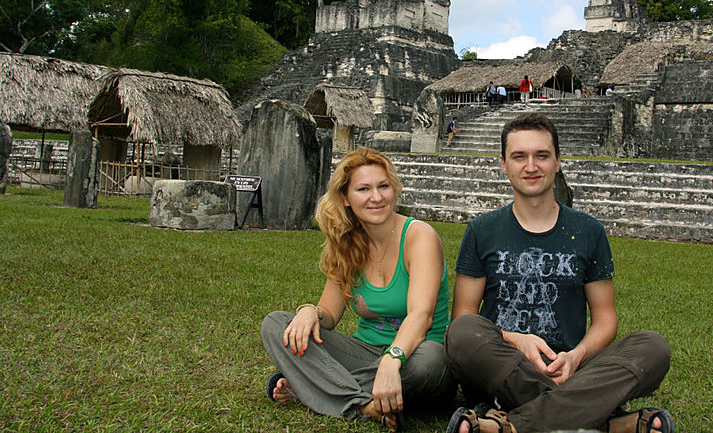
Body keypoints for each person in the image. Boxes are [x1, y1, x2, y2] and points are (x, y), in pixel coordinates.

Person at [444, 113, 673, 433]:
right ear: (503, 164)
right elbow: (463, 317)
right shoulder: (482, 230)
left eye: (542, 155)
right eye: (519, 156)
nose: (531, 166)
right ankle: (602, 419)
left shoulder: (588, 231)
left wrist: (577, 356)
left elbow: (605, 320)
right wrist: (517, 342)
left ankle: (510, 426)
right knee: (463, 333)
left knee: (653, 348)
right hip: (503, 368)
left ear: (558, 162)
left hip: (571, 368)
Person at [261, 148, 454, 432]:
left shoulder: (419, 236)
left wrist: (392, 359)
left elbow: (422, 316)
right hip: (366, 352)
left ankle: (313, 387)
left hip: (417, 356)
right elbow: (328, 313)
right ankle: (365, 406)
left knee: (431, 362)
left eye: (383, 186)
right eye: (363, 189)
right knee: (277, 325)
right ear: (346, 199)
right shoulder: (347, 243)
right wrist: (308, 313)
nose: (376, 197)